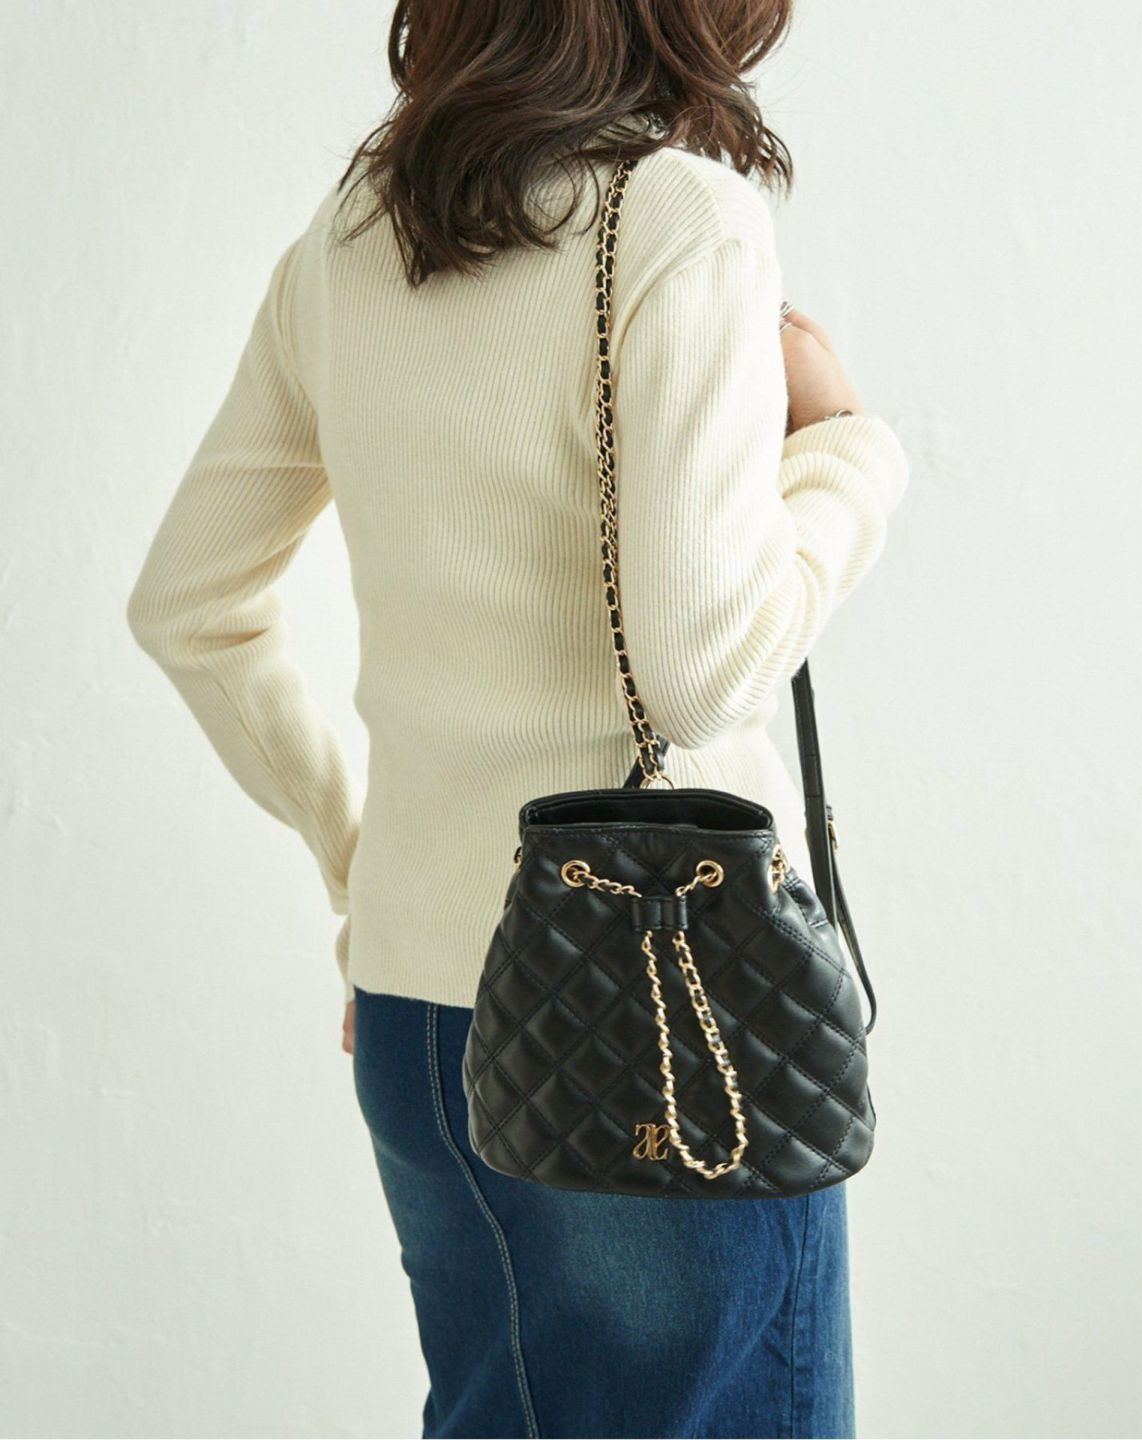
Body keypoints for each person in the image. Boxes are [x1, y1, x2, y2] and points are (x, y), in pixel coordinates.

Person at [126, 1, 909, 1435]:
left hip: (419, 1012)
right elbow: (699, 671)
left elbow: (191, 604)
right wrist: (847, 458)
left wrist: (363, 874)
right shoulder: (679, 217)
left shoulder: (346, 245)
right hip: (671, 1015)